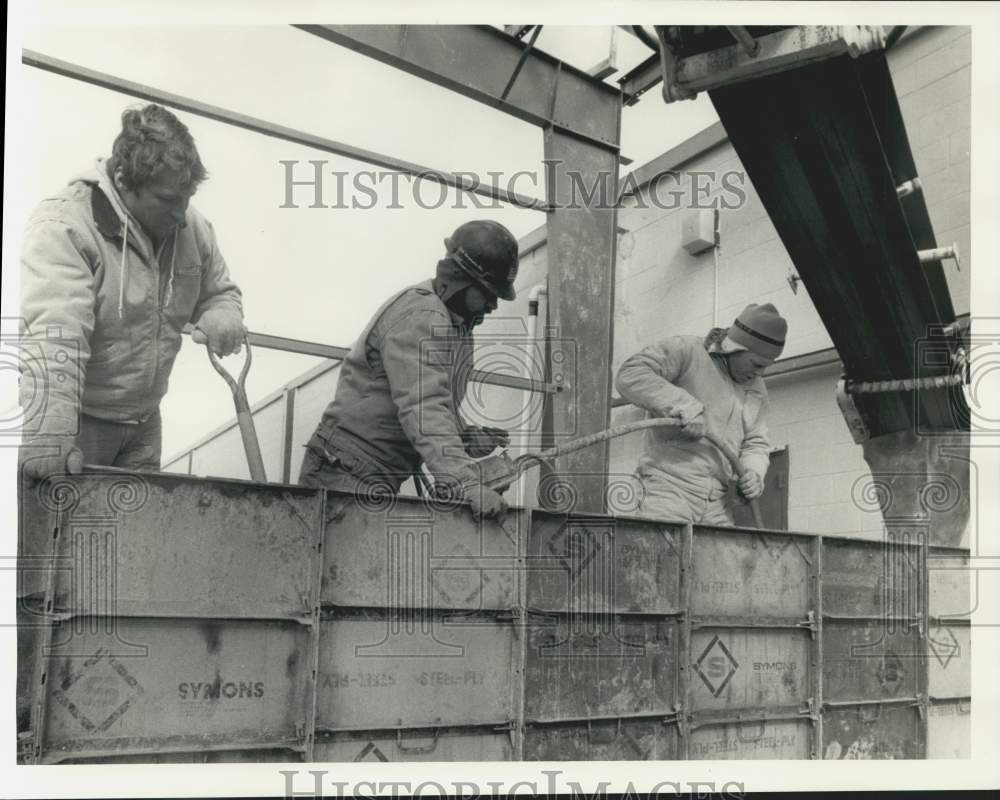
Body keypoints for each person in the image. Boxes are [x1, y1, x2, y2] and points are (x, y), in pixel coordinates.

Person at [18, 104, 245, 479]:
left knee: (133, 534)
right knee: (61, 532)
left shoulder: (193, 229)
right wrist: (49, 433)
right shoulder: (66, 227)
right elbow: (54, 338)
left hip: (144, 424)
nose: (181, 212)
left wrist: (224, 312)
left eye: (187, 196)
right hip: (78, 421)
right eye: (169, 200)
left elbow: (219, 291)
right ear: (123, 180)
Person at [299, 220, 518, 521]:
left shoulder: (455, 325)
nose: (493, 304)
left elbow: (434, 399)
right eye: (488, 292)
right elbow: (422, 405)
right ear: (463, 279)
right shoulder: (422, 316)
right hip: (344, 471)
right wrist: (465, 481)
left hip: (369, 472)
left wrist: (465, 436)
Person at [615, 303, 788, 525]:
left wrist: (754, 473)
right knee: (661, 557)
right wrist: (682, 404)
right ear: (734, 348)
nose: (760, 373)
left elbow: (755, 442)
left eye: (766, 366)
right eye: (756, 364)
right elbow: (630, 374)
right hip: (668, 487)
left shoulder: (757, 390)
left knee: (725, 558)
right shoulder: (688, 351)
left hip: (718, 500)